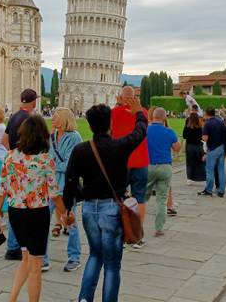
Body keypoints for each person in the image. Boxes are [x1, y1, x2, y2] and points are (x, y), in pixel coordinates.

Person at [63, 99, 147, 302]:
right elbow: (140, 132)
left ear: (90, 125)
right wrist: (138, 114)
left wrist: (68, 208)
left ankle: (85, 298)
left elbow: (71, 181)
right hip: (111, 207)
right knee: (111, 264)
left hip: (90, 208)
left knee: (94, 255)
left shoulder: (81, 150)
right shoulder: (119, 146)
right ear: (110, 124)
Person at [0, 114, 67, 302]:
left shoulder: (10, 156)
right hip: (37, 214)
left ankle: (12, 298)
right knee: (35, 266)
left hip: (16, 212)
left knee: (26, 258)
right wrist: (64, 213)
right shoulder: (45, 159)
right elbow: (54, 193)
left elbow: (2, 189)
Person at [42, 107, 82, 272]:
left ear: (65, 119)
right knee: (43, 221)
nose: (52, 119)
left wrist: (52, 165)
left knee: (70, 221)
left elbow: (71, 163)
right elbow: (49, 158)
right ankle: (43, 258)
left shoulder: (74, 138)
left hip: (66, 186)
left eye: (56, 117)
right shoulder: (52, 136)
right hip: (51, 186)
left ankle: (74, 257)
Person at [2, 88, 39, 260]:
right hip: (27, 167)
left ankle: (12, 247)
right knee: (28, 206)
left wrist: (12, 154)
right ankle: (22, 245)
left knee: (15, 203)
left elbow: (4, 139)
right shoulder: (31, 118)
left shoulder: (14, 116)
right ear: (34, 102)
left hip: (12, 164)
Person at [111, 86, 149, 248]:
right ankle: (137, 235)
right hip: (140, 161)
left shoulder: (114, 113)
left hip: (121, 161)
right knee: (139, 197)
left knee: (119, 198)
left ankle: (122, 231)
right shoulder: (144, 113)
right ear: (134, 97)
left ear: (121, 97)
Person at [145, 107, 181, 236]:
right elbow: (177, 148)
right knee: (162, 199)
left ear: (152, 117)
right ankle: (158, 228)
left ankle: (136, 224)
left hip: (149, 166)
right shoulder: (169, 131)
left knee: (143, 197)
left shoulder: (145, 130)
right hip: (165, 166)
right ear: (164, 117)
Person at [198, 107, 226, 197]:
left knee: (210, 170)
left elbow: (205, 138)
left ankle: (209, 190)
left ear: (206, 114)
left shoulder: (207, 124)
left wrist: (201, 136)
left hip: (213, 148)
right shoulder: (220, 121)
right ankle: (221, 190)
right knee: (221, 170)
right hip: (222, 147)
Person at [183, 113, 206, 184]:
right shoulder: (200, 128)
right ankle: (203, 177)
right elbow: (201, 137)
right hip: (198, 146)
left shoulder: (187, 127)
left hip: (190, 146)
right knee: (200, 162)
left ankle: (189, 178)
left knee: (189, 163)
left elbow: (184, 136)